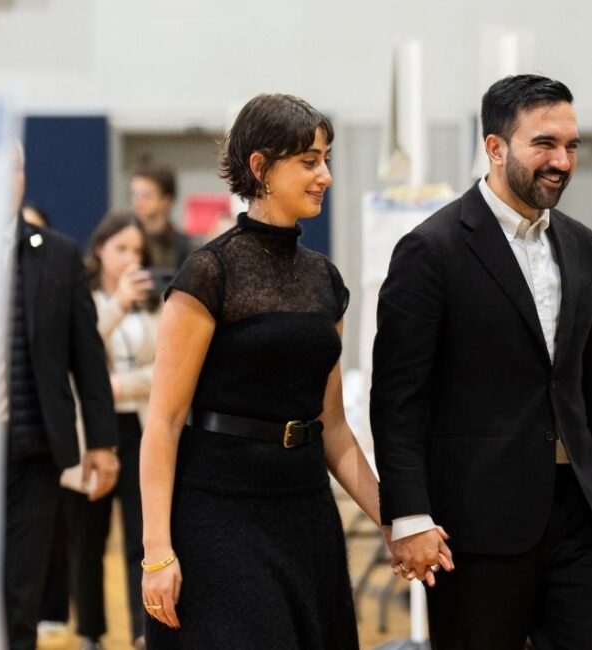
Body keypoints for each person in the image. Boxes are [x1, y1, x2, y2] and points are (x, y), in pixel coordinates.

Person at [139, 94, 417, 649]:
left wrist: (395, 521)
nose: (326, 176)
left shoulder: (324, 280)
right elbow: (164, 423)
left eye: (326, 159)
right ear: (261, 168)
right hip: (218, 512)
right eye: (309, 161)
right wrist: (156, 554)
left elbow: (332, 425)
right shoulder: (209, 272)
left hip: (304, 510)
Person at [371, 74, 592, 650]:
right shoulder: (430, 250)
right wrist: (409, 517)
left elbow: (591, 390)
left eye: (571, 146)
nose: (562, 161)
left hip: (581, 518)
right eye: (545, 144)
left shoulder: (582, 243)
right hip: (477, 524)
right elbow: (397, 401)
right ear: (495, 148)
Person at [2, 146, 119, 650]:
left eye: (11, 168)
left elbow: (87, 358)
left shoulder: (57, 254)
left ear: (23, 176)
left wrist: (102, 443)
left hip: (34, 450)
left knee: (20, 593)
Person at [69, 211, 161, 650]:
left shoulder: (154, 302)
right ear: (100, 248)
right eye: (121, 248)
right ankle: (90, 633)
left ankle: (144, 632)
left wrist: (122, 384)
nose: (131, 258)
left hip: (139, 426)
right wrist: (118, 304)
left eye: (138, 251)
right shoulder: (82, 296)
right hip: (92, 431)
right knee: (89, 537)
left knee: (141, 536)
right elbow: (76, 352)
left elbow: (164, 367)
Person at [130, 165, 194, 269]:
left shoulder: (183, 246)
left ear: (166, 200)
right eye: (134, 195)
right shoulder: (126, 243)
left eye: (145, 196)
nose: (137, 202)